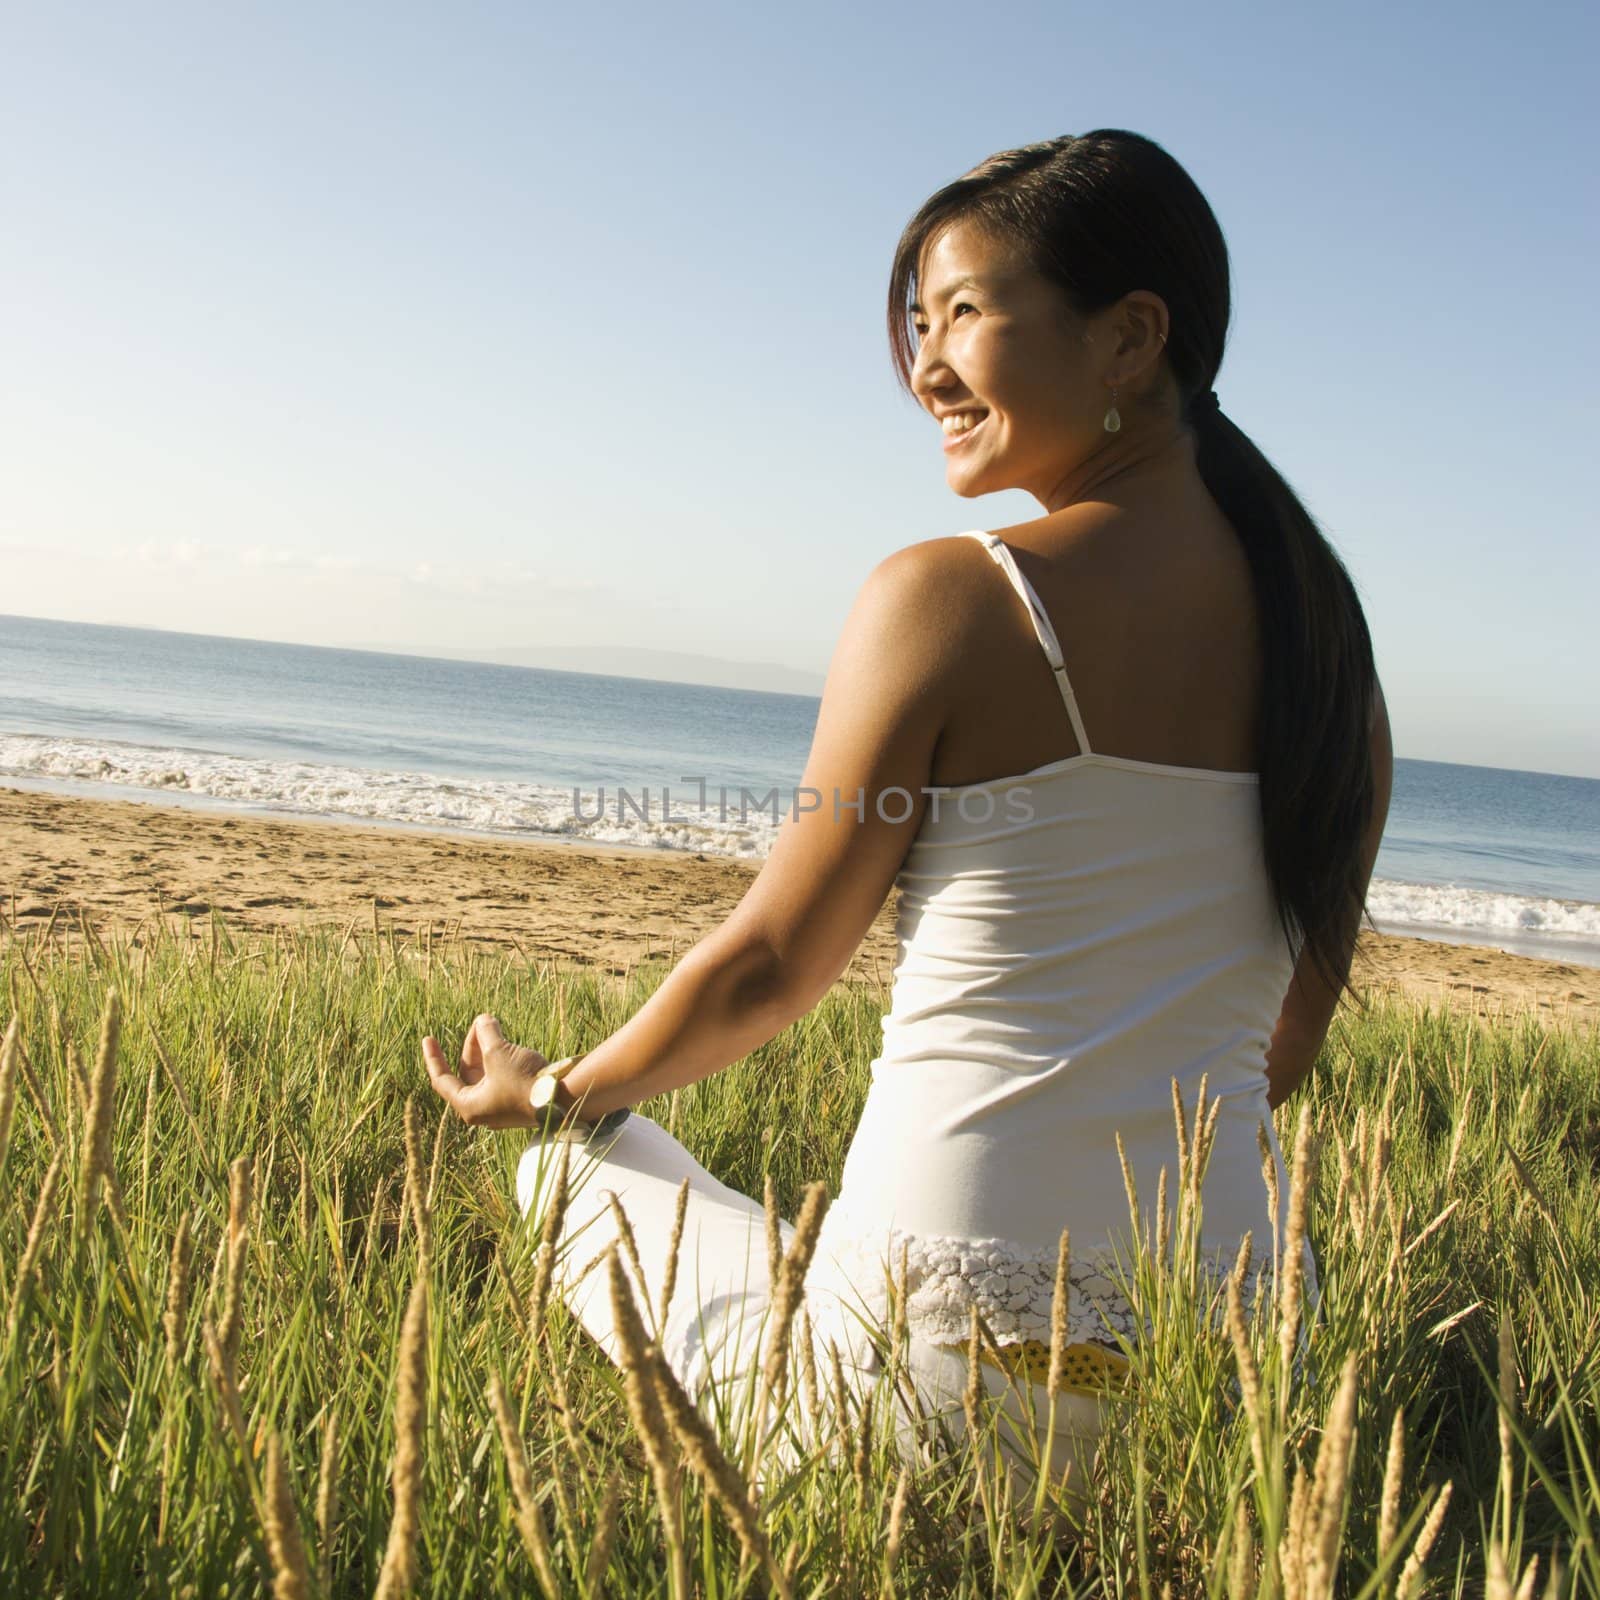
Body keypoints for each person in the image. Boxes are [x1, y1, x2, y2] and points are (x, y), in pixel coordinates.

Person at [422, 127, 1393, 1519]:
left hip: (909, 1394)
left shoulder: (954, 598)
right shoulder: (1332, 669)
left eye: (964, 314)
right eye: (917, 321)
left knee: (582, 1166)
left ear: (1131, 340)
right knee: (729, 1217)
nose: (924, 366)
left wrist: (552, 1090)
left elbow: (770, 966)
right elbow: (1276, 1050)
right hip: (1219, 1396)